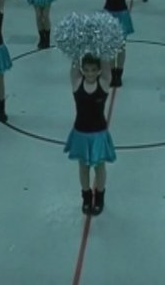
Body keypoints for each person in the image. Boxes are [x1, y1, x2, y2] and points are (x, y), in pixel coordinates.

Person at [64, 54, 116, 216]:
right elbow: (74, 65)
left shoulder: (104, 83)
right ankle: (86, 196)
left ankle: (99, 196)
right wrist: (77, 49)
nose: (90, 73)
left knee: (100, 167)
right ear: (82, 70)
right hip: (81, 133)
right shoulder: (77, 83)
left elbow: (106, 64)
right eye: (86, 70)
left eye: (94, 70)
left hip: (99, 134)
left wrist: (101, 48)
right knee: (83, 166)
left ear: (99, 70)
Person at [101, 0, 134, 87]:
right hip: (109, 15)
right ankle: (111, 72)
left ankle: (118, 74)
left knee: (120, 46)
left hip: (121, 15)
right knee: (110, 46)